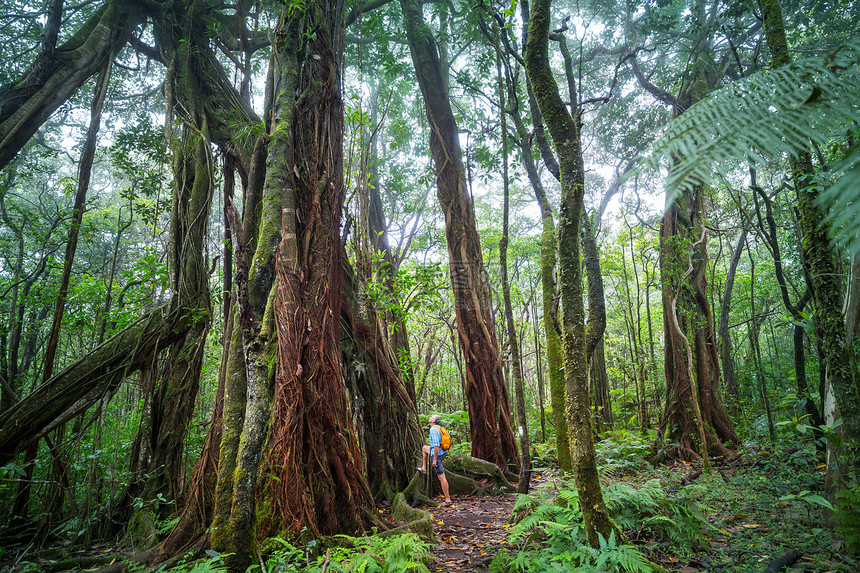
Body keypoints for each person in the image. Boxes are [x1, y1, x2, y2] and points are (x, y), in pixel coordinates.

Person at [417, 414, 452, 504]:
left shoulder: (433, 430)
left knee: (441, 477)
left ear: (433, 421)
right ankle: (424, 468)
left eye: (431, 417)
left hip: (438, 454)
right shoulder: (439, 428)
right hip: (442, 452)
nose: (429, 417)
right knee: (424, 448)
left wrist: (435, 459)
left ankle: (448, 499)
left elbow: (436, 445)